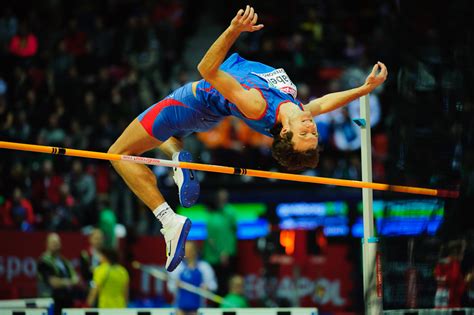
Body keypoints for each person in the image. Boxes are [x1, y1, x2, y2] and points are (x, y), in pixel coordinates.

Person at [108, 5, 388, 272]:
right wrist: (364, 89)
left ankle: (168, 220)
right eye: (313, 133)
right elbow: (325, 103)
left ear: (287, 133)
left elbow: (205, 68)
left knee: (117, 153)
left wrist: (233, 29)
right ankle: (178, 161)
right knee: (162, 136)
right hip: (200, 114)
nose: (311, 128)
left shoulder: (259, 106)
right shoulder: (297, 108)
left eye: (305, 134)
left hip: (191, 102)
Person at [168, 241, 217, 315]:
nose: (186, 252)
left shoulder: (204, 267)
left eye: (189, 250)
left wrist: (207, 287)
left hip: (199, 308)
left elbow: (213, 286)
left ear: (195, 251)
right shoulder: (176, 267)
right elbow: (170, 288)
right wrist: (176, 285)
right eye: (185, 250)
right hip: (179, 308)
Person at [37, 233, 79, 315]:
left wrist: (73, 280)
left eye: (57, 242)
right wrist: (70, 282)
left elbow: (76, 278)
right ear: (47, 244)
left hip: (66, 302)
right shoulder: (43, 262)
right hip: (51, 303)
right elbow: (53, 282)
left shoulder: (64, 261)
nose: (55, 244)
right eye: (53, 242)